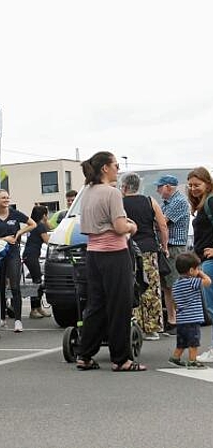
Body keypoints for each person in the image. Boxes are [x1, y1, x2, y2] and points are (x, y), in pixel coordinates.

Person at [75, 151, 146, 372]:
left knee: (96, 304)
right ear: (105, 168)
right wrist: (132, 226)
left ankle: (84, 354)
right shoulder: (112, 193)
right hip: (114, 253)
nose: (118, 169)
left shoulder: (87, 191)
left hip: (93, 253)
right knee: (119, 305)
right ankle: (121, 358)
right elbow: (119, 227)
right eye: (115, 165)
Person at [120, 172, 168, 341]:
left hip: (127, 249)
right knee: (151, 287)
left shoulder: (119, 203)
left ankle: (134, 325)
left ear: (124, 187)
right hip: (148, 248)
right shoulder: (150, 201)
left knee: (131, 285)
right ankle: (152, 329)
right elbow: (162, 226)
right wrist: (165, 246)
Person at [0, 189, 36, 332]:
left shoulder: (14, 213)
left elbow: (33, 224)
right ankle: (1, 318)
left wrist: (19, 233)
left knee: (14, 286)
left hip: (13, 252)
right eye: (3, 198)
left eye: (8, 197)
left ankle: (18, 320)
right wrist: (3, 239)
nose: (6, 200)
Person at [156, 174, 190, 336]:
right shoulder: (166, 203)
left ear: (168, 187)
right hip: (167, 247)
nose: (158, 190)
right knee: (167, 286)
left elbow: (162, 222)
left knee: (174, 285)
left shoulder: (179, 202)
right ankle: (171, 319)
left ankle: (178, 320)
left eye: (159, 187)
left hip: (175, 247)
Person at [185, 167, 213, 363]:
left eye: (197, 184)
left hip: (210, 261)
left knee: (211, 308)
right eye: (191, 185)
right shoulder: (203, 204)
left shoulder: (211, 201)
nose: (193, 188)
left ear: (207, 184)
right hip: (203, 260)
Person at [168, 252, 210, 369]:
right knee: (193, 341)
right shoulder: (192, 282)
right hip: (193, 318)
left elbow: (174, 300)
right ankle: (192, 360)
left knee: (182, 341)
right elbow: (208, 281)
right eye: (197, 268)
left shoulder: (176, 284)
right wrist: (201, 273)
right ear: (191, 270)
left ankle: (175, 357)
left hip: (181, 319)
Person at [23, 204, 51, 319]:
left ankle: (38, 307)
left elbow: (50, 227)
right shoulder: (40, 226)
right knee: (37, 282)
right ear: (44, 215)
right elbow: (48, 241)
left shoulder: (33, 224)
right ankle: (34, 309)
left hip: (29, 255)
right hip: (32, 256)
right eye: (46, 215)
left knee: (37, 281)